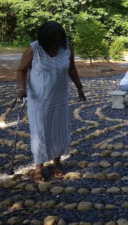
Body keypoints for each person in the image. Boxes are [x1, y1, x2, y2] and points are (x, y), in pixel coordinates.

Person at [17, 21, 86, 182]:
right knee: (40, 133)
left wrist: (79, 87)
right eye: (53, 41)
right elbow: (21, 70)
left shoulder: (67, 47)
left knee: (58, 131)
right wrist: (21, 89)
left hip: (59, 99)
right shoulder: (34, 49)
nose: (56, 43)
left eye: (58, 40)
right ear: (44, 39)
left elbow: (72, 68)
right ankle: (38, 167)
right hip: (39, 100)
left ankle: (57, 163)